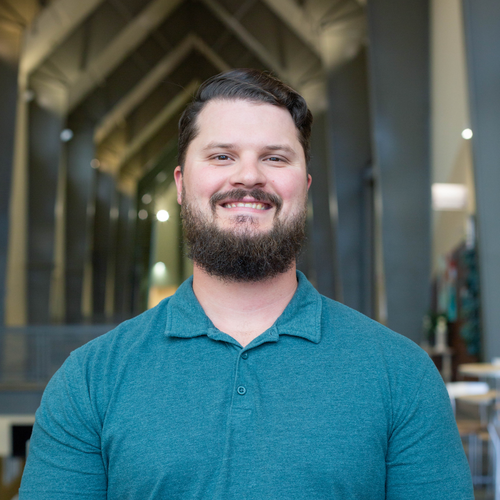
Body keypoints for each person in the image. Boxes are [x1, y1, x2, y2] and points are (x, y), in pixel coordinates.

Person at [20, 69, 473, 499]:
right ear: (181, 184)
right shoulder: (90, 379)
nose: (249, 176)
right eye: (222, 156)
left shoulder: (402, 374)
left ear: (305, 187)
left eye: (275, 158)